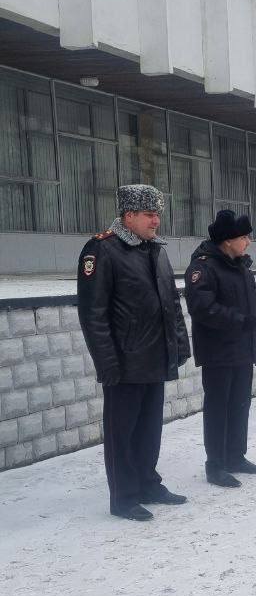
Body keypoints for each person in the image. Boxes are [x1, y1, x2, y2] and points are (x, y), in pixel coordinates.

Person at [77, 184, 191, 521]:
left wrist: (180, 345)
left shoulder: (155, 250)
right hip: (124, 362)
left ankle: (147, 484)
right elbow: (92, 313)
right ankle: (124, 497)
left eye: (158, 214)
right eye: (149, 214)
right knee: (122, 432)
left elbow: (171, 302)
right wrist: (106, 362)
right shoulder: (101, 251)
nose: (156, 221)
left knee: (149, 428)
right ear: (128, 216)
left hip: (155, 357)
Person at [185, 210, 256, 487]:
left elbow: (250, 310)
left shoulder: (241, 266)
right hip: (218, 351)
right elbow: (202, 309)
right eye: (244, 236)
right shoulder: (203, 267)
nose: (249, 242)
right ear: (228, 240)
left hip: (242, 349)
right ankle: (216, 464)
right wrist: (239, 322)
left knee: (240, 404)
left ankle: (235, 455)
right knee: (219, 406)